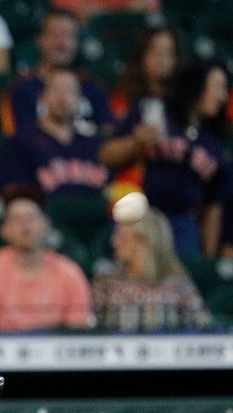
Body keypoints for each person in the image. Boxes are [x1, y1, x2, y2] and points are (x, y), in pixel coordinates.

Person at [100, 62, 230, 258]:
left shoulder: (214, 141)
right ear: (196, 85)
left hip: (183, 223)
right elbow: (106, 155)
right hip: (141, 214)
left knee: (182, 282)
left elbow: (213, 206)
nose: (223, 96)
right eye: (218, 86)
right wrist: (136, 142)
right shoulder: (155, 111)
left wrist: (208, 257)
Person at [0, 191, 93, 332]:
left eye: (31, 218)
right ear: (4, 230)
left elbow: (78, 330)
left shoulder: (69, 273)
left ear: (46, 225)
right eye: (17, 219)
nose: (25, 226)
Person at [93, 197, 210, 332]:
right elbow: (86, 332)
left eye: (122, 237)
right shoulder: (105, 284)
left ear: (143, 242)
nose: (114, 242)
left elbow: (205, 332)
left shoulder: (179, 288)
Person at [0, 67, 110, 200]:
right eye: (56, 90)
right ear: (43, 96)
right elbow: (13, 193)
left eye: (69, 90)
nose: (63, 97)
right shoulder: (22, 141)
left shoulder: (93, 143)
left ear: (80, 99)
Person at [0, 10, 112, 137]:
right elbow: (16, 139)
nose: (61, 43)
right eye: (54, 35)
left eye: (68, 35)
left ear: (77, 42)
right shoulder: (20, 89)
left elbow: (107, 133)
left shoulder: (93, 87)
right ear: (39, 40)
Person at [111, 27, 181, 122]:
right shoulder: (123, 98)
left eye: (169, 52)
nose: (162, 59)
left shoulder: (184, 99)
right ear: (141, 56)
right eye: (155, 51)